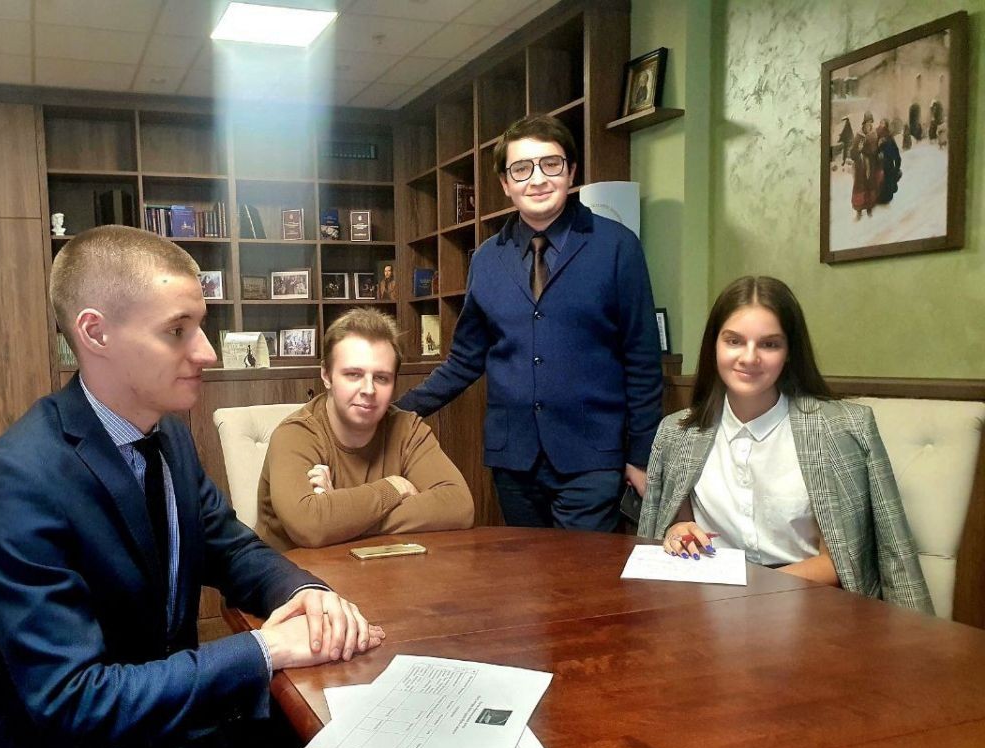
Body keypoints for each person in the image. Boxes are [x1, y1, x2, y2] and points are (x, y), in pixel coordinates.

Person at [0, 225, 398, 748]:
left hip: (149, 736)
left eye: (200, 327)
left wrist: (307, 592)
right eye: (178, 331)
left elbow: (229, 544)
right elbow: (74, 703)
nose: (204, 351)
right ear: (96, 333)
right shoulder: (15, 484)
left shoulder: (167, 437)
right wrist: (265, 650)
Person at [396, 113, 663, 532]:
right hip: (514, 461)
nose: (537, 179)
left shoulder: (616, 246)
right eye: (521, 169)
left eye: (550, 164)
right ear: (506, 183)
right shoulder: (487, 259)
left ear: (571, 171)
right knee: (525, 570)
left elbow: (642, 360)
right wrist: (396, 412)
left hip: (592, 458)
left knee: (580, 571)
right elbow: (465, 360)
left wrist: (642, 456)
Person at [637, 275, 933, 613]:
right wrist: (677, 533)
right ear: (714, 346)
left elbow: (843, 561)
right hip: (708, 610)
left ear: (789, 352)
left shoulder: (843, 429)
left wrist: (749, 588)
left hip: (812, 608)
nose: (749, 358)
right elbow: (672, 529)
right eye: (734, 341)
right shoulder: (677, 433)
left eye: (769, 344)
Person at [257, 307, 473, 551]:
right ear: (326, 375)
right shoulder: (295, 434)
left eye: (381, 378)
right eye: (353, 374)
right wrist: (393, 488)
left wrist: (342, 519)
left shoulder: (407, 428)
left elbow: (459, 505)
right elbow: (311, 525)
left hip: (380, 568)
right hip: (291, 572)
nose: (369, 390)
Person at [850, 111, 879, 220]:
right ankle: (858, 211)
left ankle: (869, 209)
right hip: (860, 166)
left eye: (871, 122)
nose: (869, 124)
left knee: (870, 186)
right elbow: (852, 153)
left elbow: (876, 150)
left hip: (870, 165)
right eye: (867, 122)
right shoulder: (858, 136)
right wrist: (858, 149)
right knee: (860, 187)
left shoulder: (874, 135)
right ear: (864, 123)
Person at [876, 120, 902, 204]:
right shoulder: (877, 136)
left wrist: (897, 166)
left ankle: (886, 197)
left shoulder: (889, 138)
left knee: (888, 181)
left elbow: (895, 152)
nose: (881, 125)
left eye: (883, 124)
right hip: (879, 164)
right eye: (880, 123)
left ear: (886, 126)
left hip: (888, 164)